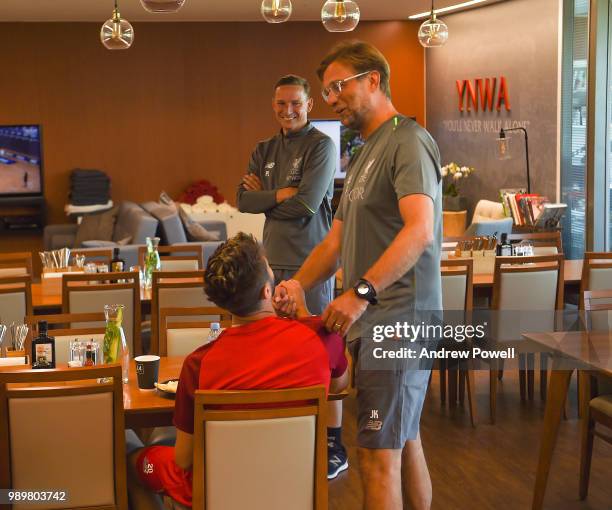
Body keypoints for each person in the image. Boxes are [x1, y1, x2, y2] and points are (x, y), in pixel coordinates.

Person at [274, 41, 443, 510]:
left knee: (376, 459)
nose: (330, 98)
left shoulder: (408, 140)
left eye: (338, 86)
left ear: (374, 80)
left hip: (400, 319)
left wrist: (361, 293)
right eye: (326, 91)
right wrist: (298, 284)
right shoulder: (365, 151)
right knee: (405, 443)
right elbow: (333, 242)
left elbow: (420, 231)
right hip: (375, 321)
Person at [127, 233, 348, 508]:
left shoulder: (199, 362)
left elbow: (184, 459)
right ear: (267, 292)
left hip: (220, 491)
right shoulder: (318, 338)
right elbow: (339, 385)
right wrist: (303, 311)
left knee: (132, 458)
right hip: (293, 485)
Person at [236, 74, 336, 316]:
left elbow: (306, 205)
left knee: (313, 342)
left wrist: (264, 199)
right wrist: (281, 194)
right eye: (281, 103)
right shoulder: (263, 149)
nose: (287, 110)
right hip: (271, 264)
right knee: (276, 344)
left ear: (309, 104)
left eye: (296, 103)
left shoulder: (321, 146)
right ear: (273, 104)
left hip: (311, 263)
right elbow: (242, 201)